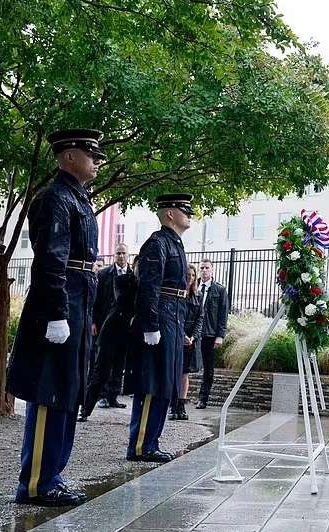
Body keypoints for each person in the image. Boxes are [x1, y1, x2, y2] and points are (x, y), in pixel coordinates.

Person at [6, 128, 105, 506]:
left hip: (77, 301)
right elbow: (51, 260)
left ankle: (53, 475)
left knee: (67, 389)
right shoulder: (55, 199)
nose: (96, 161)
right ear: (67, 157)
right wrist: (57, 314)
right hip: (61, 304)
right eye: (89, 154)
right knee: (50, 391)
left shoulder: (77, 199)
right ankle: (36, 482)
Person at [123, 193, 193, 462]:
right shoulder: (157, 243)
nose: (189, 214)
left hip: (172, 317)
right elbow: (149, 287)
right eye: (184, 210)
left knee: (166, 383)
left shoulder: (175, 243)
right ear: (170, 214)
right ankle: (141, 445)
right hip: (161, 318)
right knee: (153, 382)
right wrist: (151, 325)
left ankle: (151, 441)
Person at [79, 243, 133, 420]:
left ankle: (112, 396)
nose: (121, 256)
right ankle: (88, 406)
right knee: (100, 368)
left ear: (128, 255)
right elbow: (95, 300)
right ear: (114, 255)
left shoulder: (133, 276)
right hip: (107, 326)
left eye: (124, 253)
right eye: (118, 253)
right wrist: (94, 321)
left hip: (126, 329)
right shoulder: (104, 274)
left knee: (119, 367)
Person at [195, 258, 229, 409]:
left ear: (212, 270)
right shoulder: (192, 286)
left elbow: (223, 314)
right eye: (201, 268)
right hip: (193, 334)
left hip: (210, 334)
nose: (204, 271)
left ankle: (203, 398)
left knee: (208, 369)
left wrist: (220, 335)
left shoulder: (220, 290)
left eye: (206, 268)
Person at [171, 264, 203, 421]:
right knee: (174, 372)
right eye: (187, 275)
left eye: (192, 275)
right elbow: (175, 317)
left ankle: (181, 406)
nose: (189, 278)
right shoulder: (177, 294)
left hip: (191, 341)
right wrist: (182, 335)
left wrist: (193, 337)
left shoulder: (198, 296)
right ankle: (173, 405)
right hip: (177, 337)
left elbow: (200, 319)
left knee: (185, 373)